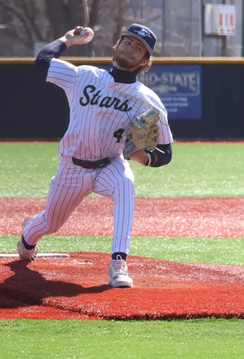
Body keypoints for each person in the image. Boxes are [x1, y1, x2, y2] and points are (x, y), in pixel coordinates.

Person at [17, 23, 173, 288]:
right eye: (128, 42)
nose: (131, 49)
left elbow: (165, 152)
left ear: (145, 60)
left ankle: (118, 262)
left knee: (125, 184)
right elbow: (43, 61)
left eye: (139, 48)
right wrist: (68, 39)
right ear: (117, 45)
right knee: (50, 223)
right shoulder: (84, 76)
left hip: (109, 165)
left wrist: (142, 157)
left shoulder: (148, 100)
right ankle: (27, 236)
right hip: (72, 168)